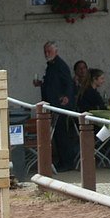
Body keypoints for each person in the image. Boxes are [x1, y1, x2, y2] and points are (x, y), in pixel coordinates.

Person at [34, 40, 76, 171]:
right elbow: (53, 84)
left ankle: (67, 163)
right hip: (52, 105)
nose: (47, 54)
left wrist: (67, 97)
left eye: (49, 51)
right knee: (57, 135)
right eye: (45, 51)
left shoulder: (60, 65)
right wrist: (42, 84)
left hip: (60, 106)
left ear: (56, 51)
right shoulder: (51, 65)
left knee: (61, 134)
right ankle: (62, 161)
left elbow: (69, 83)